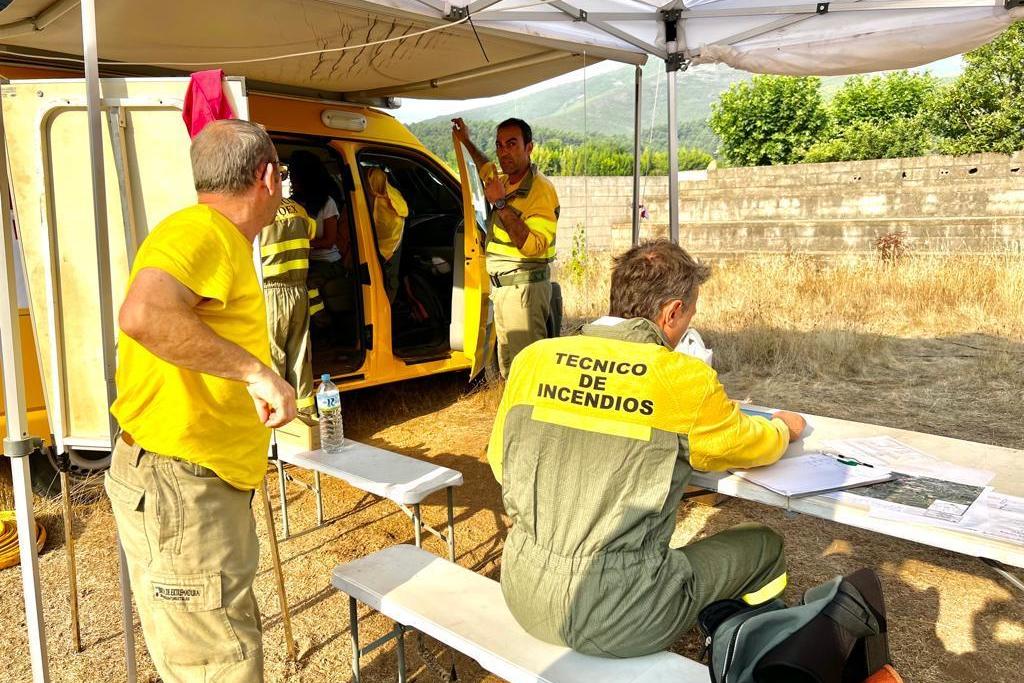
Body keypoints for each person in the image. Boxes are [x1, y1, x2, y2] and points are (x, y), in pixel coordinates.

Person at [487, 239, 807, 658]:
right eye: (689, 315)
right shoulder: (681, 377)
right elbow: (750, 445)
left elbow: (500, 463)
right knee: (765, 546)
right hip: (625, 616)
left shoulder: (533, 359)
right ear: (673, 312)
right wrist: (784, 429)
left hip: (523, 590)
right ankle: (748, 649)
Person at [106, 119, 296, 682]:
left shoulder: (207, 234)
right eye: (281, 174)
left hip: (183, 481)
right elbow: (143, 315)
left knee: (203, 652)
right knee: (219, 665)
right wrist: (258, 373)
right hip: (182, 486)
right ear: (267, 177)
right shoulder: (203, 232)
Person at [452, 117, 559, 377]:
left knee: (529, 371)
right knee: (510, 369)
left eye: (512, 144)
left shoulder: (540, 190)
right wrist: (466, 139)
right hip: (505, 291)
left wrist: (500, 204)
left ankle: (531, 418)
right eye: (500, 145)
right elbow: (485, 167)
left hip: (524, 291)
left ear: (529, 147)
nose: (503, 152)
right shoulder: (505, 179)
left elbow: (533, 246)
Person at [259, 195, 317, 417]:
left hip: (271, 293)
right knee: (301, 353)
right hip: (298, 289)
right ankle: (306, 414)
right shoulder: (299, 209)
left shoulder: (259, 213)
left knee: (274, 356)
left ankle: (278, 418)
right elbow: (312, 233)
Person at [289, 150, 347, 329]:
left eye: (294, 175)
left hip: (328, 262)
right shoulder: (292, 203)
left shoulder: (327, 203)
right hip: (305, 260)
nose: (291, 179)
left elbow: (329, 241)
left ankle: (323, 326)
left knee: (306, 284)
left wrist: (302, 245)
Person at [366, 166, 409, 303]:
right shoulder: (374, 197)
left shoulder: (390, 202)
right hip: (377, 250)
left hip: (391, 249)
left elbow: (386, 229)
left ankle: (386, 308)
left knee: (389, 280)